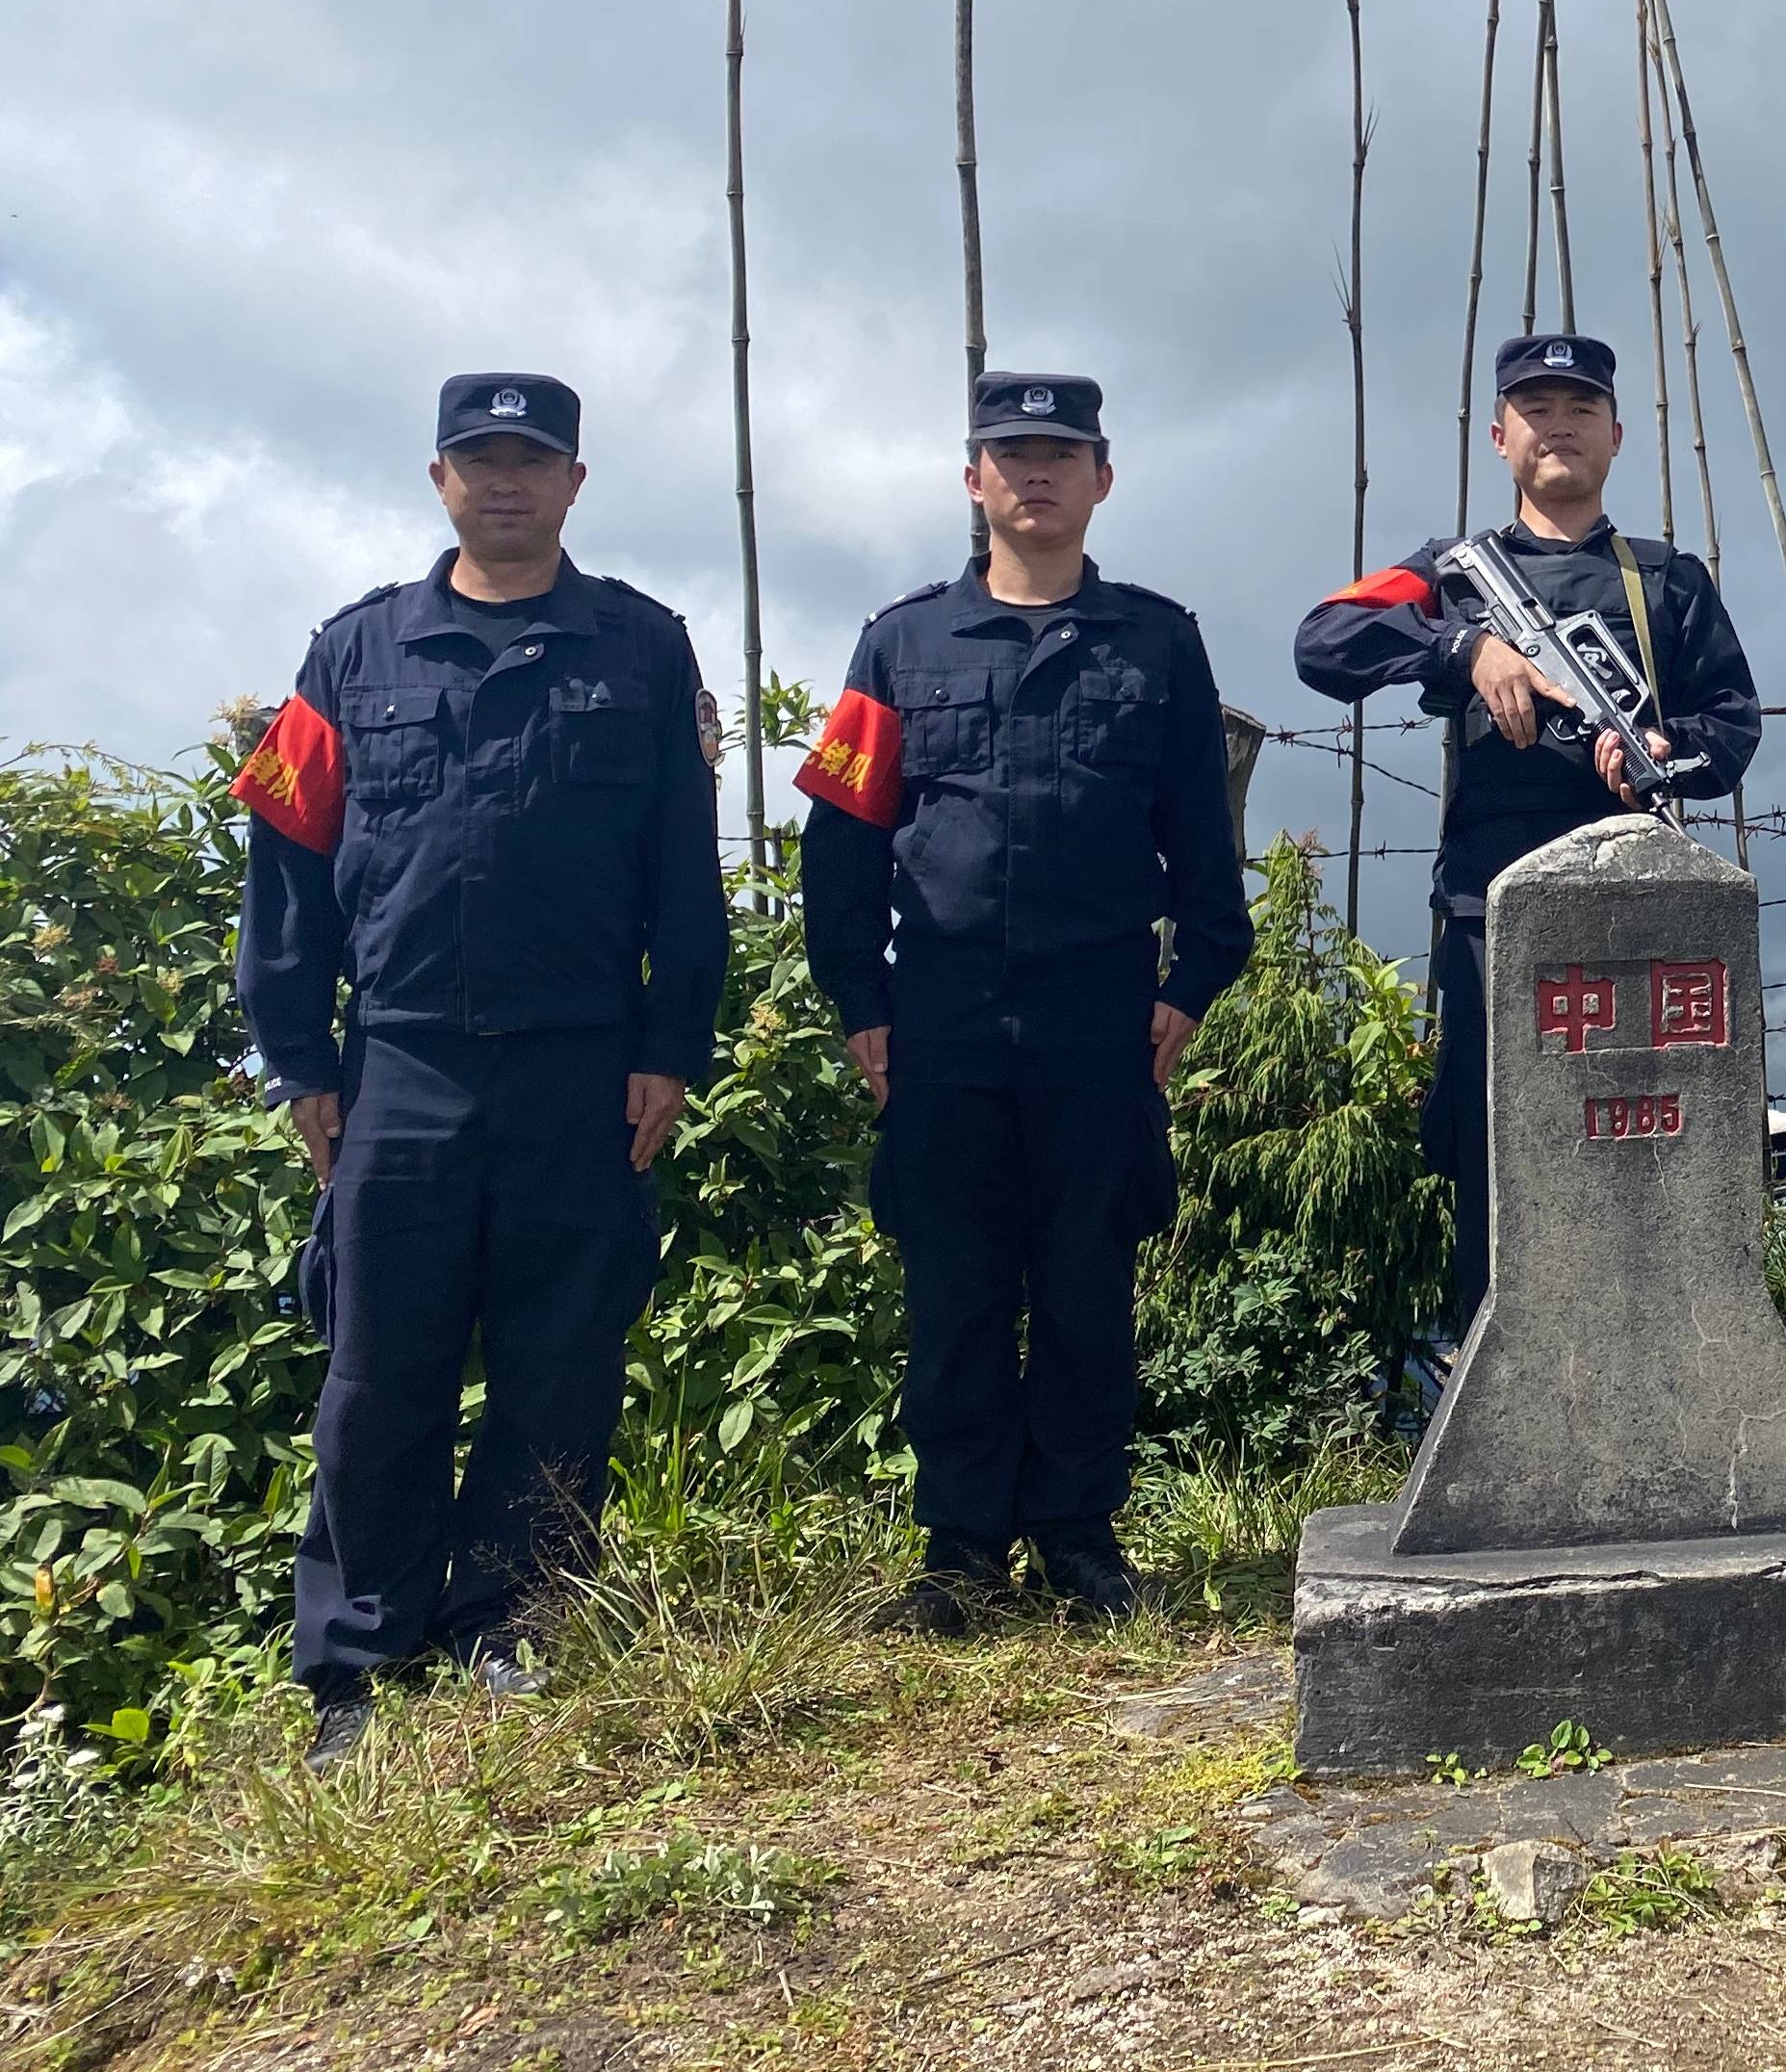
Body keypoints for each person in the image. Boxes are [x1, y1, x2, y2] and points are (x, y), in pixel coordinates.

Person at [231, 374, 728, 1767]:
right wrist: (298, 1057)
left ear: (576, 482)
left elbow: (681, 875)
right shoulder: (349, 655)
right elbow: (287, 872)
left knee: (562, 1362)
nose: (504, 484)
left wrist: (671, 1044)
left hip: (582, 1070)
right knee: (380, 1367)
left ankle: (512, 1623)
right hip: (400, 1069)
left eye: (533, 462)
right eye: (478, 462)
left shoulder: (639, 649)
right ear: (438, 480)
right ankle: (355, 1659)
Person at [797, 374, 1252, 1634]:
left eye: (1061, 454)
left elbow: (1203, 847)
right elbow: (840, 841)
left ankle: (1077, 1541)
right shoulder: (899, 645)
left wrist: (1192, 985)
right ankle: (958, 1555)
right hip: (938, 1027)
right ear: (973, 481)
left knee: (1086, 1288)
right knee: (953, 1289)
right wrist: (858, 1000)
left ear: (1103, 477)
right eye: (1011, 455)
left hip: (1101, 1025)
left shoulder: (1156, 643)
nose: (1034, 476)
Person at [1295, 332, 1760, 1342]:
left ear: (1618, 436)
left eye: (1581, 408)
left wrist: (1658, 756)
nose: (1560, 425)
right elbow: (1322, 642)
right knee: (1497, 1159)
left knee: (1646, 1149)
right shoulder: (1455, 575)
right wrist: (1464, 648)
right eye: (1537, 409)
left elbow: (1733, 724)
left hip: (1638, 913)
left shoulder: (1667, 580)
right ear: (1500, 434)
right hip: (1489, 916)